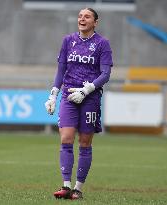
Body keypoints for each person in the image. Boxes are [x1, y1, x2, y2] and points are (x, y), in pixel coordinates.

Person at [45, 7, 113, 200]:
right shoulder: (68, 41)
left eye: (87, 16)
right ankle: (66, 186)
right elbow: (61, 70)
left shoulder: (102, 44)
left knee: (84, 142)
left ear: (95, 22)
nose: (82, 19)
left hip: (89, 97)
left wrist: (86, 90)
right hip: (68, 95)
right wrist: (53, 95)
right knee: (66, 138)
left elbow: (105, 74)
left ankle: (78, 189)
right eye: (80, 16)